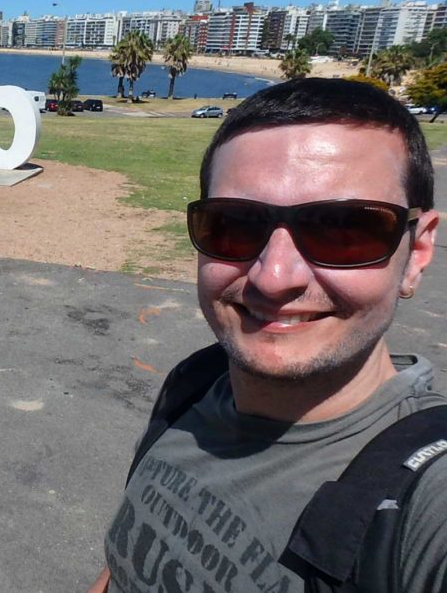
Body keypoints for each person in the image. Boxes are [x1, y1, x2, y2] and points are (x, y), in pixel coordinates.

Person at [89, 78, 444, 592]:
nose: (274, 277)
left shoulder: (424, 503)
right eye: (234, 225)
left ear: (418, 252)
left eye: (343, 228)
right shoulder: (196, 382)